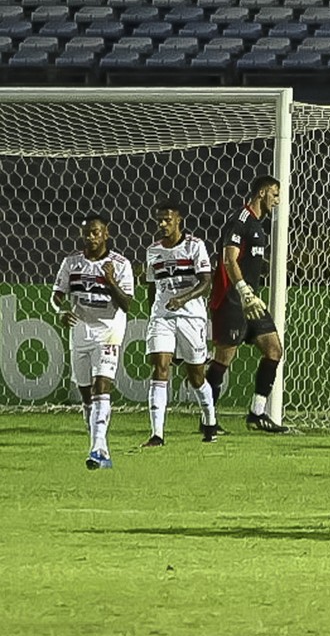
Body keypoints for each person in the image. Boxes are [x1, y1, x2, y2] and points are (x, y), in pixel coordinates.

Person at [205, 175, 289, 436]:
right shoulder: (240, 220)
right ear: (263, 192)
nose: (277, 200)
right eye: (275, 194)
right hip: (233, 299)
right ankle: (207, 418)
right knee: (224, 359)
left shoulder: (257, 225)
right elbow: (229, 260)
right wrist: (243, 292)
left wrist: (251, 295)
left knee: (274, 350)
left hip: (252, 301)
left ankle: (257, 413)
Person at [51, 213, 134, 470]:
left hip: (108, 332)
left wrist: (110, 281)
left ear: (106, 234)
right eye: (87, 232)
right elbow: (55, 297)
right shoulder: (71, 263)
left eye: (96, 232)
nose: (91, 237)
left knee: (102, 387)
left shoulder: (120, 264)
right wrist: (59, 311)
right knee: (86, 395)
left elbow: (127, 304)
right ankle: (101, 449)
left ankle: (97, 448)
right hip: (79, 332)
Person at [142, 199, 218, 446]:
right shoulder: (153, 251)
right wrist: (153, 313)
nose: (163, 224)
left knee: (196, 376)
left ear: (178, 220)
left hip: (191, 316)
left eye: (168, 219)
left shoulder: (195, 246)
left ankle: (210, 420)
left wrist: (182, 299)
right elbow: (152, 287)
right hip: (162, 317)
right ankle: (157, 434)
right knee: (160, 367)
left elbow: (206, 281)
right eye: (160, 220)